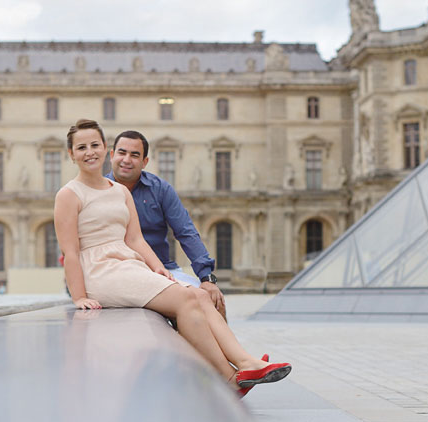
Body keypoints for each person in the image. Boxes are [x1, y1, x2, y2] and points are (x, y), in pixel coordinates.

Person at [53, 119, 291, 396]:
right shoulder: (69, 195)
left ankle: (244, 362)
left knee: (201, 296)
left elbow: (135, 239)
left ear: (105, 148)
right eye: (81, 147)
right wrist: (79, 296)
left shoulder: (119, 191)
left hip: (129, 264)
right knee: (187, 298)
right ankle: (229, 376)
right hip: (100, 271)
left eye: (95, 145)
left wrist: (158, 269)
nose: (89, 151)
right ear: (71, 154)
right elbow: (70, 251)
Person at [107, 130, 226, 317]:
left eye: (135, 155)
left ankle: (224, 348)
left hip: (163, 269)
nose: (127, 160)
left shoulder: (160, 189)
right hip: (120, 272)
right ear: (112, 155)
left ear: (145, 162)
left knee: (215, 300)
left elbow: (186, 231)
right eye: (122, 153)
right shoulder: (98, 191)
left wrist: (207, 278)